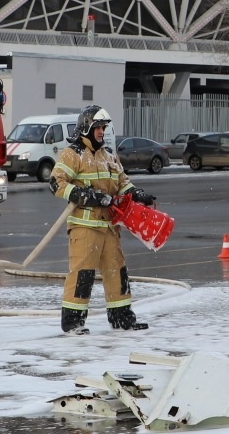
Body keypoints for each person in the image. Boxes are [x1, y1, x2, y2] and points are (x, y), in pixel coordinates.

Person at [52, 105, 157, 334]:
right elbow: (56, 183)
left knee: (117, 272)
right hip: (85, 227)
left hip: (109, 227)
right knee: (83, 275)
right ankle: (73, 323)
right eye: (98, 127)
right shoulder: (73, 154)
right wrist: (87, 196)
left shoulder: (109, 155)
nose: (102, 131)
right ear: (87, 127)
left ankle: (122, 319)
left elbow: (122, 183)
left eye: (104, 127)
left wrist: (137, 194)